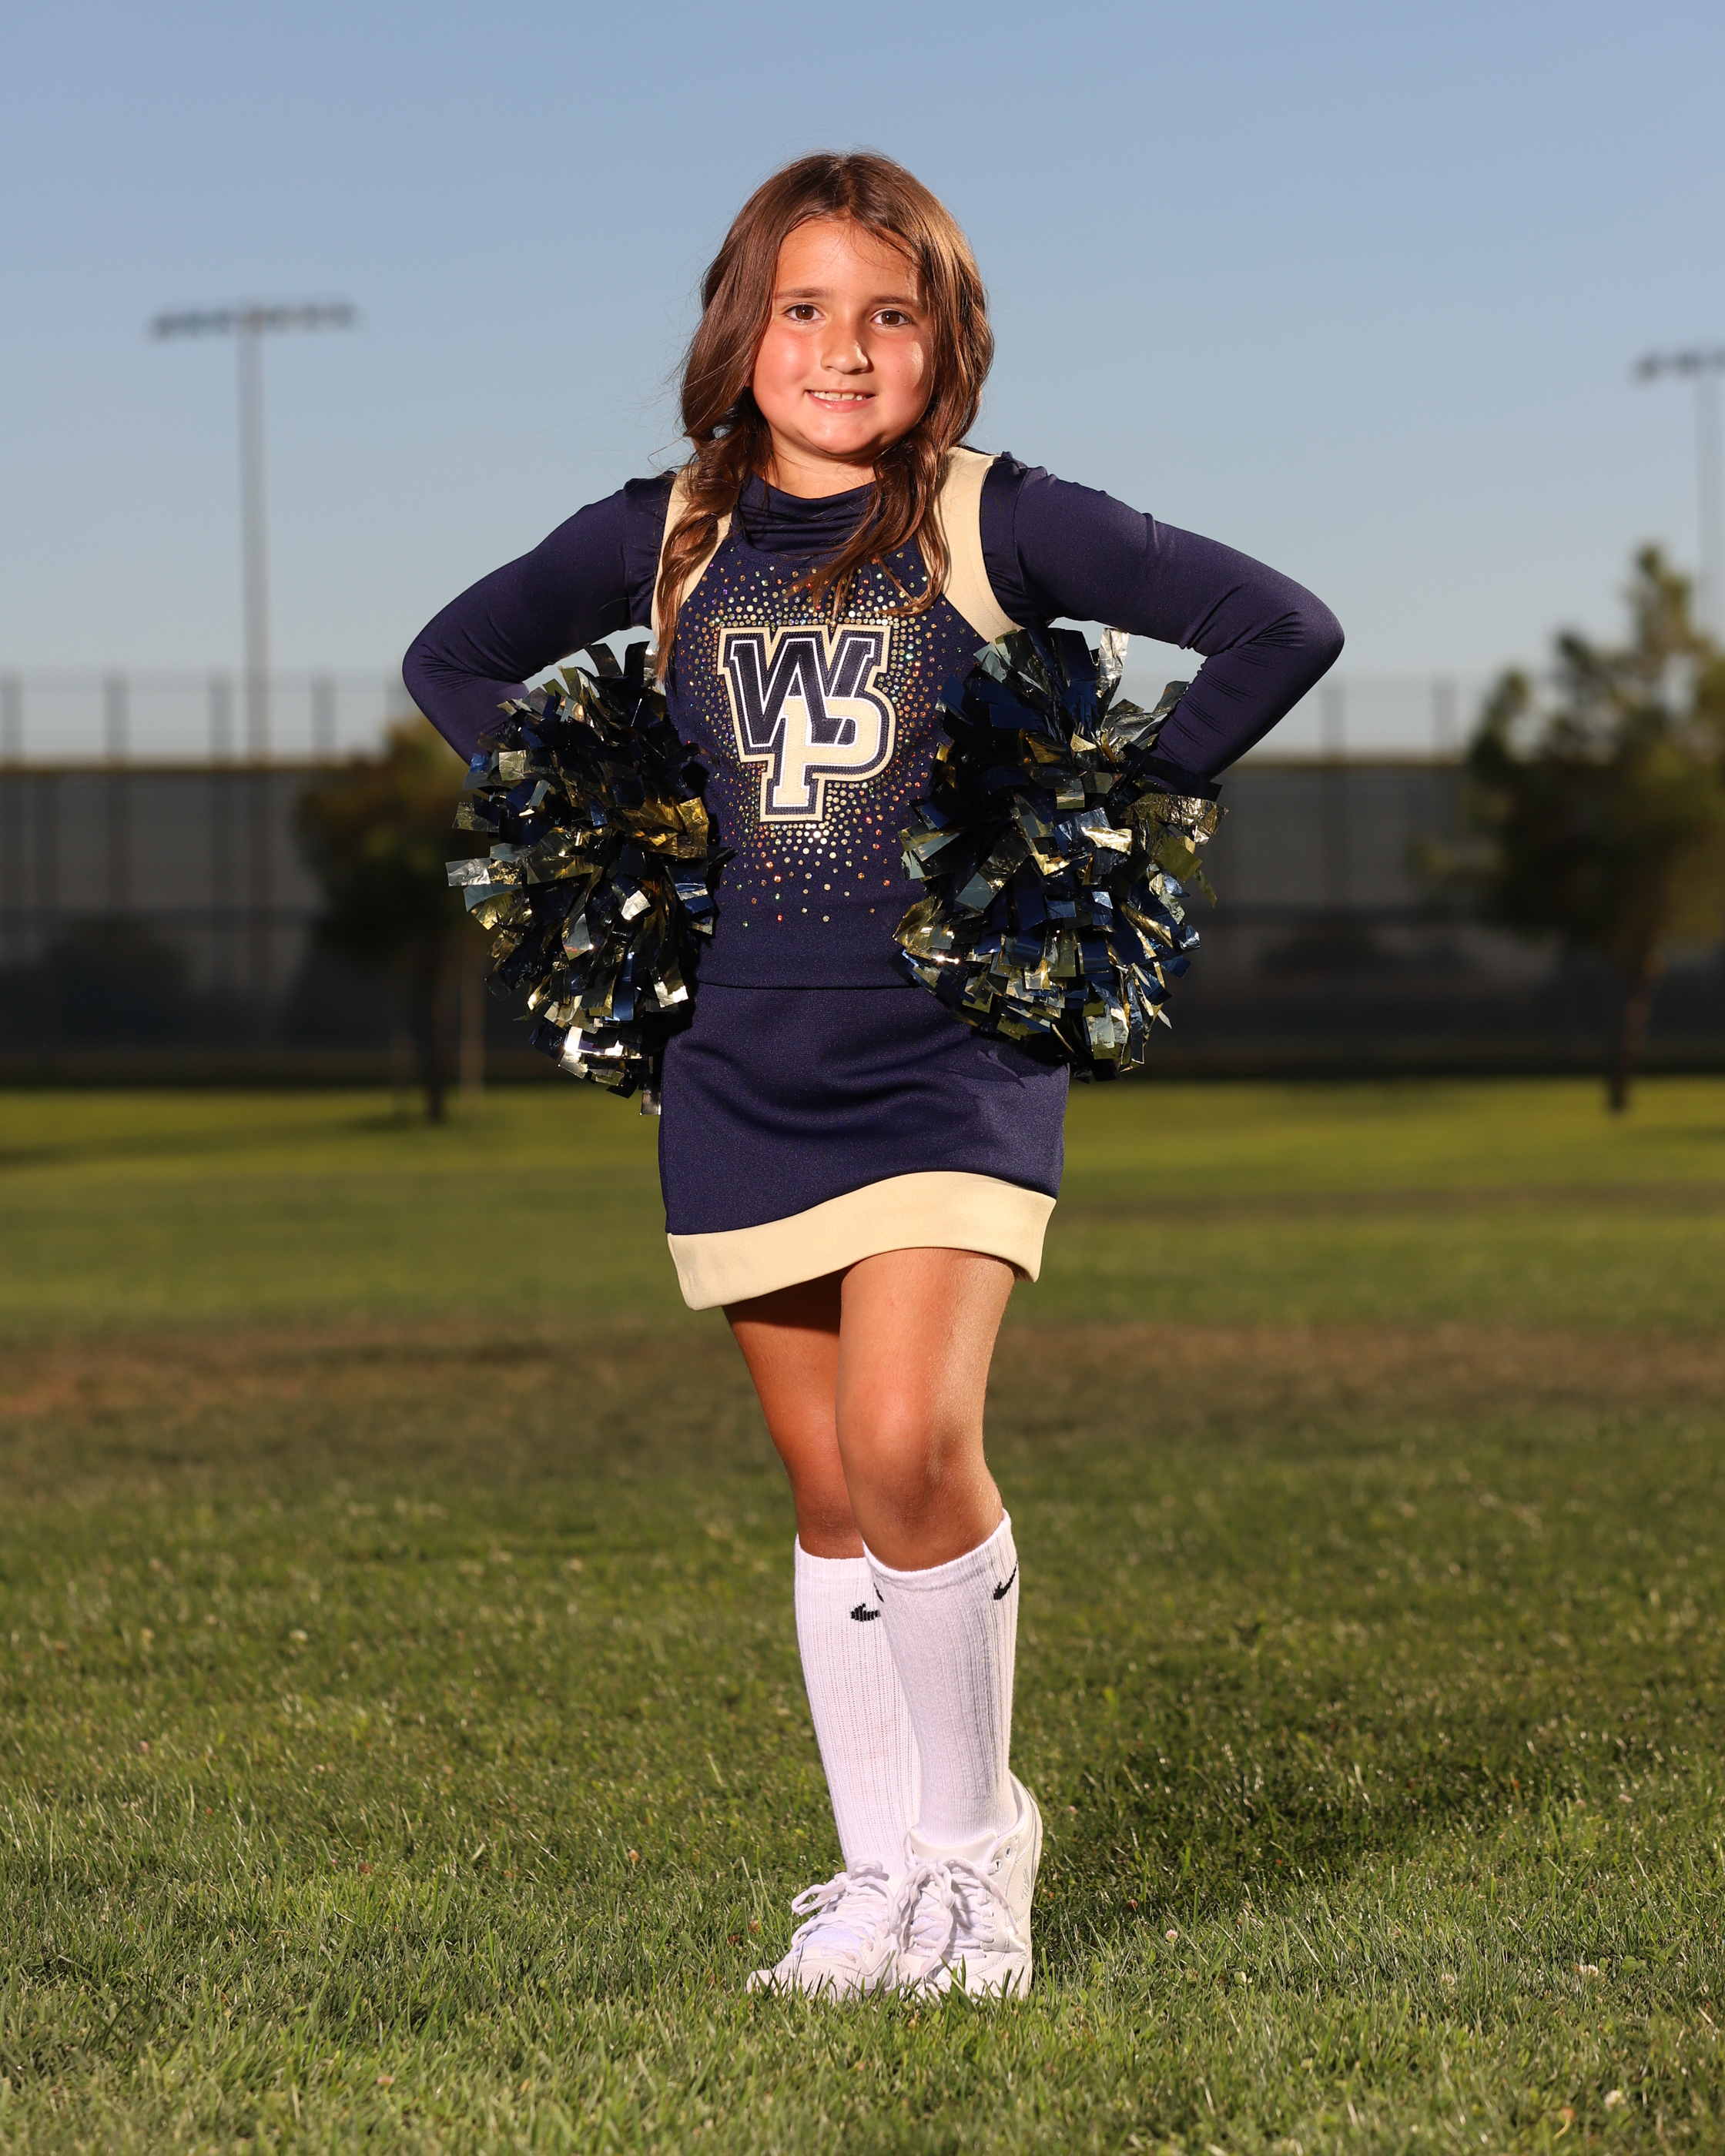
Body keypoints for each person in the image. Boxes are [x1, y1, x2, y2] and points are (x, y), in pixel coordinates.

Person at [404, 150, 1342, 2000]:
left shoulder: (997, 518)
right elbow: (455, 657)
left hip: (947, 1058)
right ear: (738, 330)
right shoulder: (669, 534)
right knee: (831, 1483)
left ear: (947, 338)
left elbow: (1277, 625)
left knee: (910, 1443)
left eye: (889, 312)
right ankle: (875, 1879)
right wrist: (591, 810)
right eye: (804, 307)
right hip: (740, 1059)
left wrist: (1110, 797)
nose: (842, 349)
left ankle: (976, 1864)